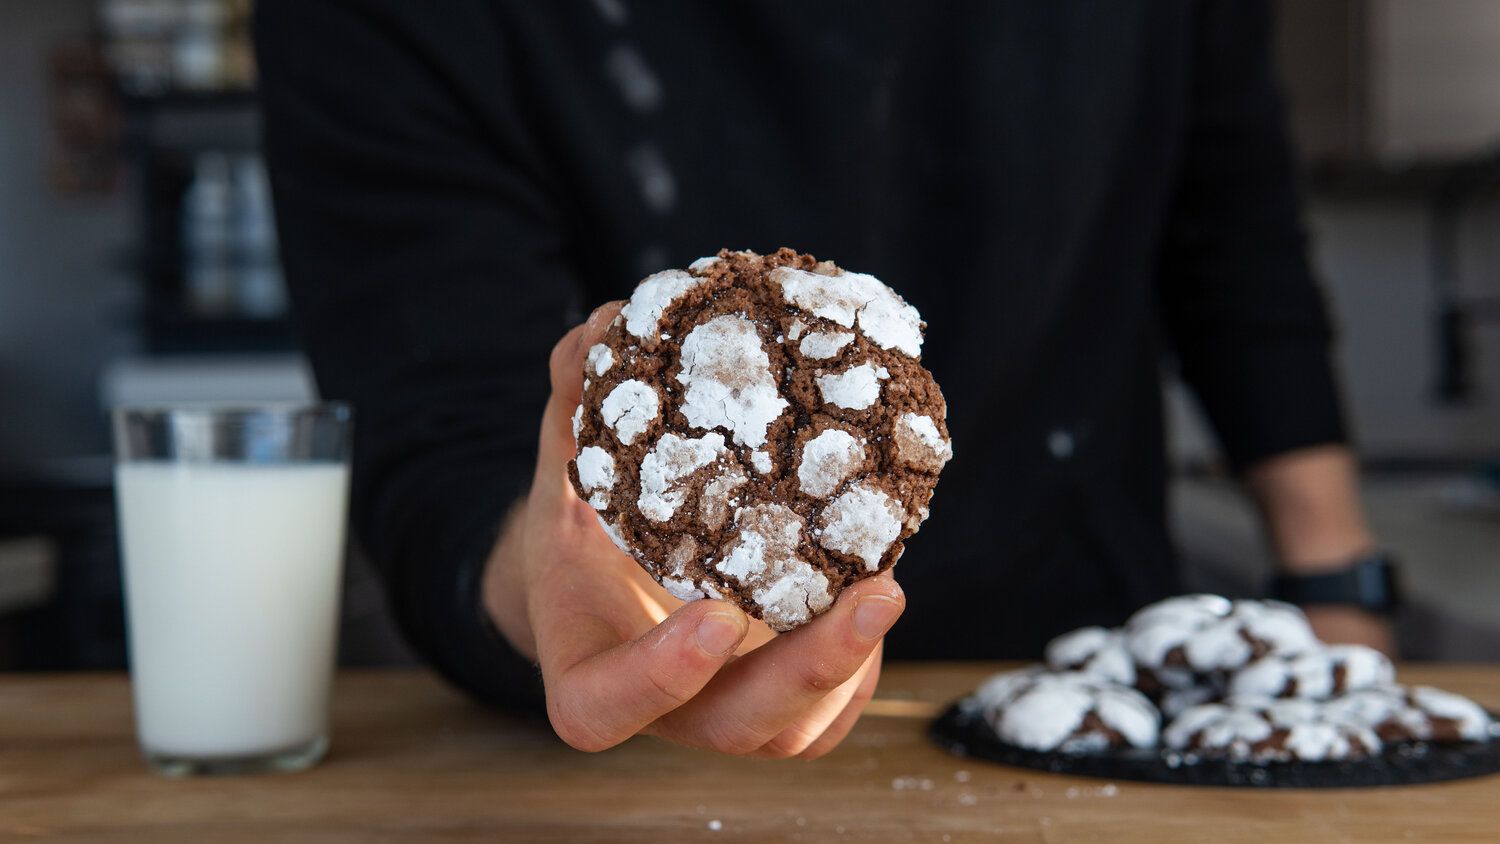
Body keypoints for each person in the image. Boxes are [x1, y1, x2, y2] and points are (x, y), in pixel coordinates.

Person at [255, 1, 1395, 757]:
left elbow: (1232, 231)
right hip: (605, 754)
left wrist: (1333, 577)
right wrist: (582, 594)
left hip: (1079, 677)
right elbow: (444, 433)